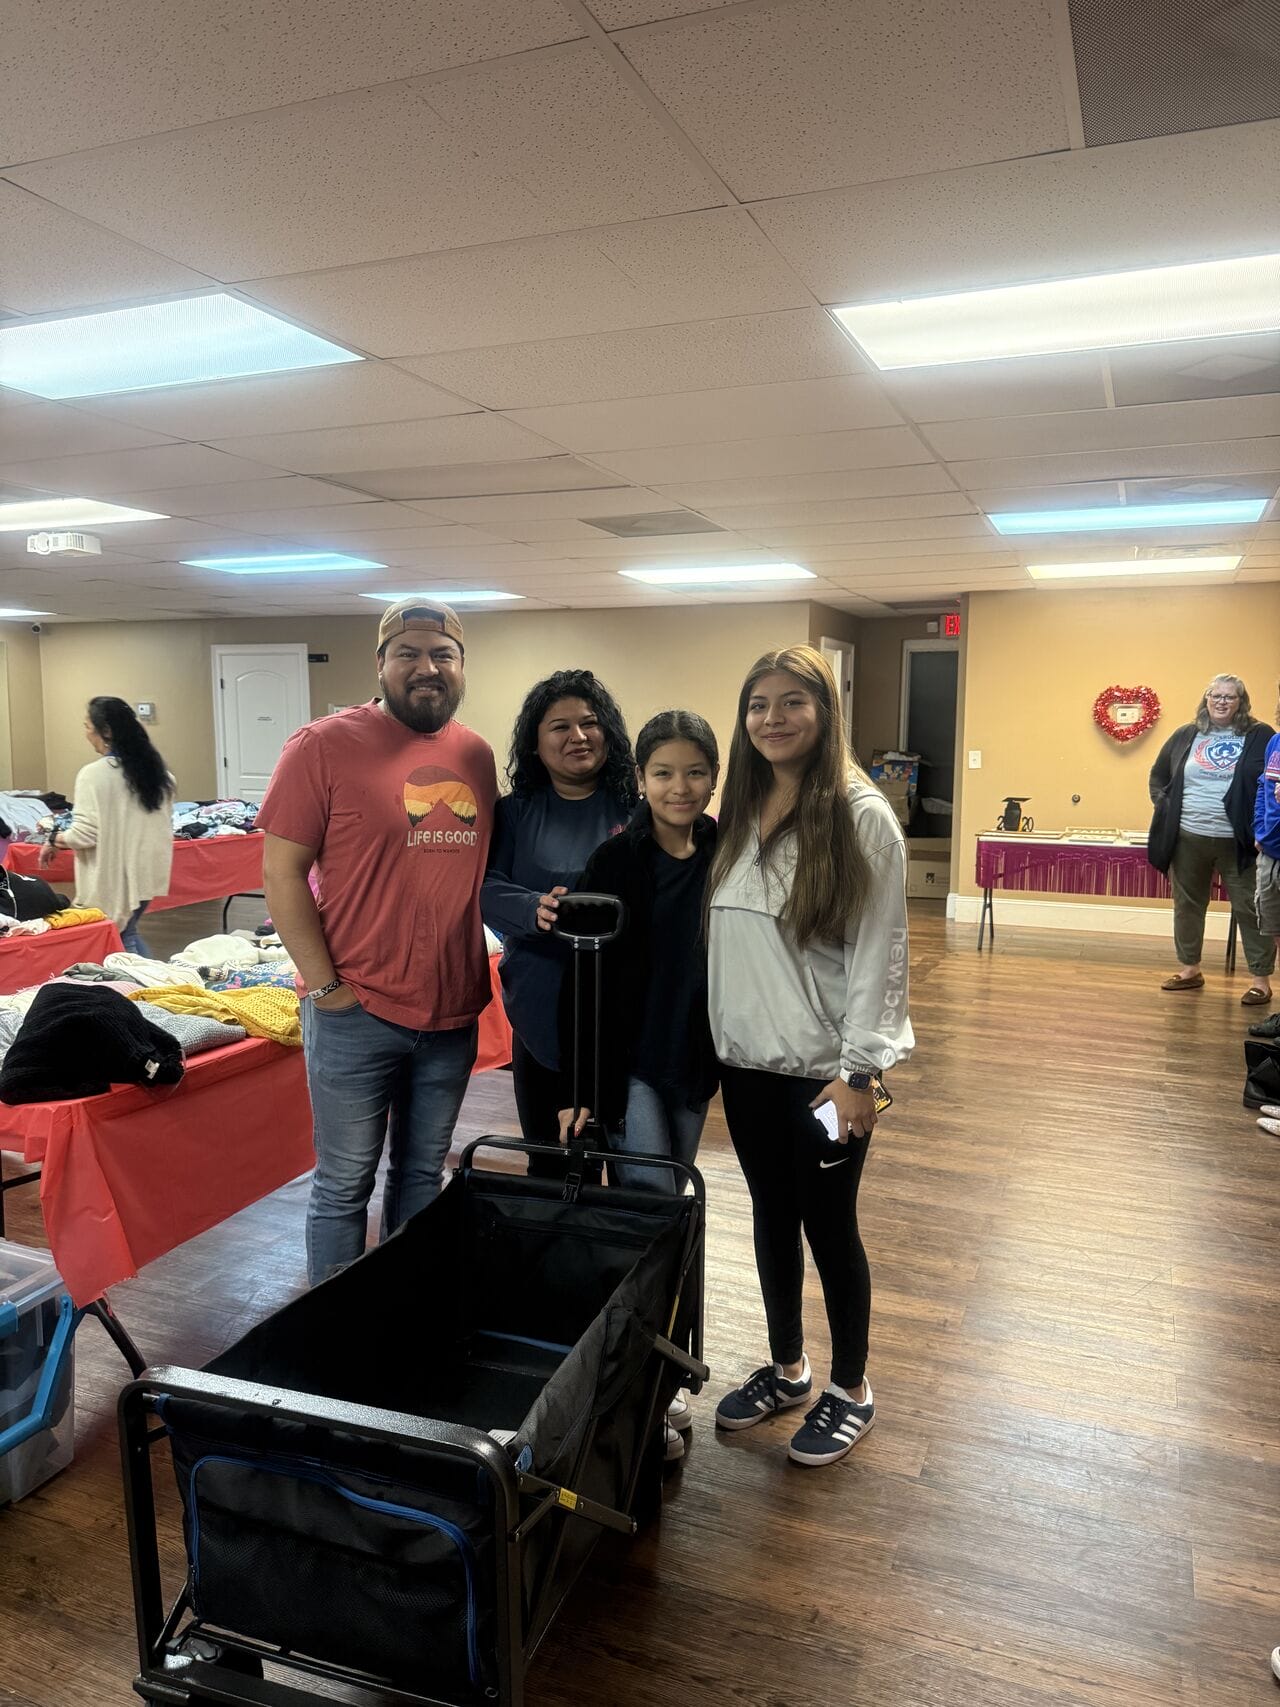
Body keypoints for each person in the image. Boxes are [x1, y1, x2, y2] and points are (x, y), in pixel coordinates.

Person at [707, 645, 913, 1468]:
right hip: (747, 1066)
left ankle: (851, 1388)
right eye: (759, 704)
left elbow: (881, 954)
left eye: (794, 701)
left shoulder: (860, 815)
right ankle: (789, 1367)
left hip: (829, 1074)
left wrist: (861, 1073)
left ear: (825, 712)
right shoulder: (742, 805)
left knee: (830, 1225)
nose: (773, 718)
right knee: (768, 1215)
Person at [257, 599, 497, 1285]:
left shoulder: (475, 754)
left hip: (451, 1013)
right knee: (343, 1182)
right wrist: (326, 987)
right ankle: (332, 1341)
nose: (427, 668)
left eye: (442, 654)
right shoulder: (321, 745)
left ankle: (403, 1309)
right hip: (354, 1011)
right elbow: (281, 873)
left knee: (424, 1171)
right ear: (381, 662)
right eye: (410, 653)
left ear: (460, 665)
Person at [556, 708, 720, 1464]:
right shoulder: (616, 861)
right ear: (641, 779)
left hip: (694, 1056)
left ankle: (656, 1377)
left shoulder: (723, 848)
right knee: (654, 1217)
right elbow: (579, 982)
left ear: (713, 777)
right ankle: (639, 1394)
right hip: (630, 1067)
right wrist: (581, 1087)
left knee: (672, 1211)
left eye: (694, 772)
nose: (679, 786)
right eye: (663, 772)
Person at [481, 670, 636, 1169]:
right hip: (541, 1010)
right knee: (549, 1162)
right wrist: (533, 907)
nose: (579, 737)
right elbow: (483, 887)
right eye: (560, 727)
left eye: (590, 723)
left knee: (627, 1165)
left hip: (620, 1016)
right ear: (536, 741)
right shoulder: (514, 813)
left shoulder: (638, 811)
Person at [1147, 673, 1276, 1003]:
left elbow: (1270, 784)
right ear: (1206, 700)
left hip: (1241, 842)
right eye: (1215, 696)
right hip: (1188, 837)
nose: (1221, 702)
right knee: (1187, 905)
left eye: (1229, 697)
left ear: (1241, 702)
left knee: (1251, 908)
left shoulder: (1260, 735)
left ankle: (1260, 980)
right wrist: (1165, 808)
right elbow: (1159, 776)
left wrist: (1263, 828)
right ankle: (1190, 969)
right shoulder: (1187, 734)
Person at [39, 696, 173, 954]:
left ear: (106, 731)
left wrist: (54, 838)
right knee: (128, 932)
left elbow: (84, 835)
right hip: (146, 874)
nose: (86, 734)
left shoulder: (94, 774)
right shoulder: (159, 774)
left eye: (88, 727)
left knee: (121, 939)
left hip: (115, 877)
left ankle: (140, 992)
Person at [1247, 689, 1280, 1074]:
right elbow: (1262, 788)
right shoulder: (1275, 740)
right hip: (1270, 855)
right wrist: (1259, 828)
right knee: (1276, 932)